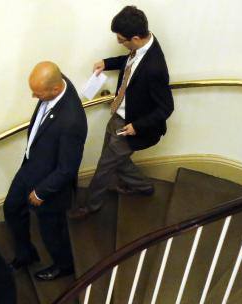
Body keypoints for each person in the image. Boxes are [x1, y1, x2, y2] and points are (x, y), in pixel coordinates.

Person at [71, 5, 174, 220]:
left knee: (104, 166)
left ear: (135, 38)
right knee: (116, 159)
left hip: (131, 126)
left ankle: (91, 206)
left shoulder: (155, 67)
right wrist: (106, 63)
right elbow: (130, 62)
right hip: (119, 114)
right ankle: (144, 186)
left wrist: (137, 126)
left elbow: (166, 107)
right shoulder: (143, 46)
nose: (119, 43)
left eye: (120, 40)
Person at [3, 61, 88, 281]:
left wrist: (41, 192)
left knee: (52, 232)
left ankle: (64, 265)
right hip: (30, 168)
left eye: (37, 93)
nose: (33, 97)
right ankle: (26, 254)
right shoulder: (58, 81)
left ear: (56, 90)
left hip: (49, 186)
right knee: (12, 208)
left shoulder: (72, 121)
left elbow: (67, 168)